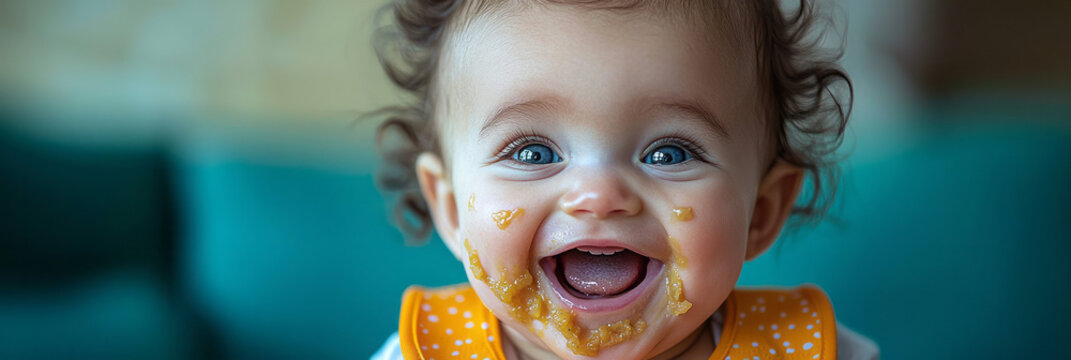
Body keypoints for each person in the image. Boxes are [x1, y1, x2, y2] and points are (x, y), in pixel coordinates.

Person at [370, 0, 877, 358]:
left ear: (761, 213)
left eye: (669, 152)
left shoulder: (810, 349)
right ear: (453, 210)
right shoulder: (421, 351)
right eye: (532, 151)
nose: (599, 196)